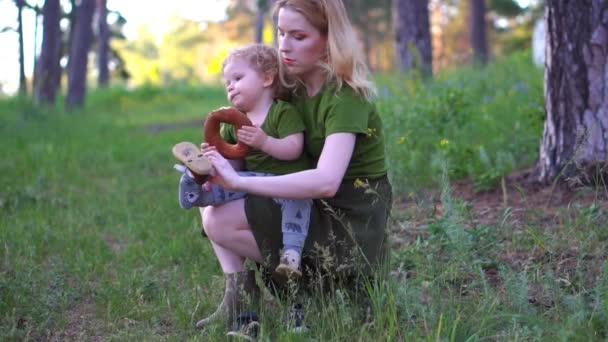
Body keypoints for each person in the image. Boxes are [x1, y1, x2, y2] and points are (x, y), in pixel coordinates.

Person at [197, 0, 392, 337]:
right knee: (212, 203)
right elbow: (256, 132)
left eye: (299, 36)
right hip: (309, 204)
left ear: (329, 39)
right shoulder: (294, 88)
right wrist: (215, 169)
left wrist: (240, 182)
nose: (284, 45)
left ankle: (318, 288)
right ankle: (240, 300)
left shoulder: (345, 97)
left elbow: (327, 182)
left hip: (348, 221)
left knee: (222, 219)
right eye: (281, 33)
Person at [176, 44, 313, 279]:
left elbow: (294, 149)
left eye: (237, 78)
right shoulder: (232, 123)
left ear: (267, 78)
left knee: (297, 211)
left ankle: (292, 256)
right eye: (227, 82)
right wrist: (217, 162)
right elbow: (236, 167)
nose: (230, 86)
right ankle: (195, 188)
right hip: (252, 186)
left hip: (288, 184)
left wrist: (265, 142)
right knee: (219, 186)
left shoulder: (282, 112)